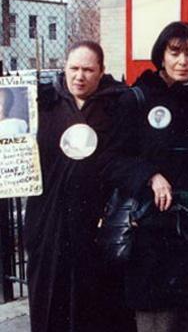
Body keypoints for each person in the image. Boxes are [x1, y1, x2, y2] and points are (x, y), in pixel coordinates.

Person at [104, 21, 188, 332]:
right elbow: (112, 160)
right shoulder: (138, 98)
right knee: (160, 321)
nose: (183, 61)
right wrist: (149, 175)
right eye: (174, 52)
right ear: (161, 55)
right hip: (156, 232)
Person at [25, 41, 136, 332]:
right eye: (74, 68)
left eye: (88, 70)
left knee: (94, 300)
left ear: (101, 72)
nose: (79, 76)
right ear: (64, 69)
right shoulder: (44, 103)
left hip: (93, 218)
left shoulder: (116, 105)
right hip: (48, 217)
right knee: (49, 296)